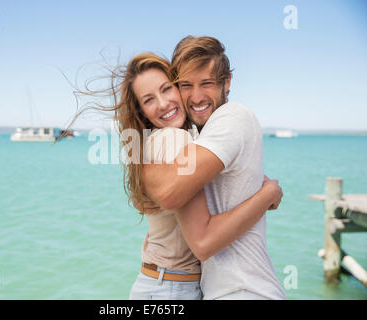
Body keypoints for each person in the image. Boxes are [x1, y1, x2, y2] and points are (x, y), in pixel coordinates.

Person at [68, 52, 283, 300]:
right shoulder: (175, 138)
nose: (163, 103)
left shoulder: (155, 143)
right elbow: (201, 240)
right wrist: (267, 194)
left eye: (167, 89)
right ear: (142, 112)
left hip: (157, 283)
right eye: (149, 100)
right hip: (172, 288)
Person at [141, 36, 287, 300]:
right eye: (186, 85)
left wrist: (269, 194)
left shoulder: (232, 117)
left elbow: (199, 237)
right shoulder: (197, 137)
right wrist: (266, 195)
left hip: (244, 291)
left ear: (226, 82)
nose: (196, 97)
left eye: (206, 83)